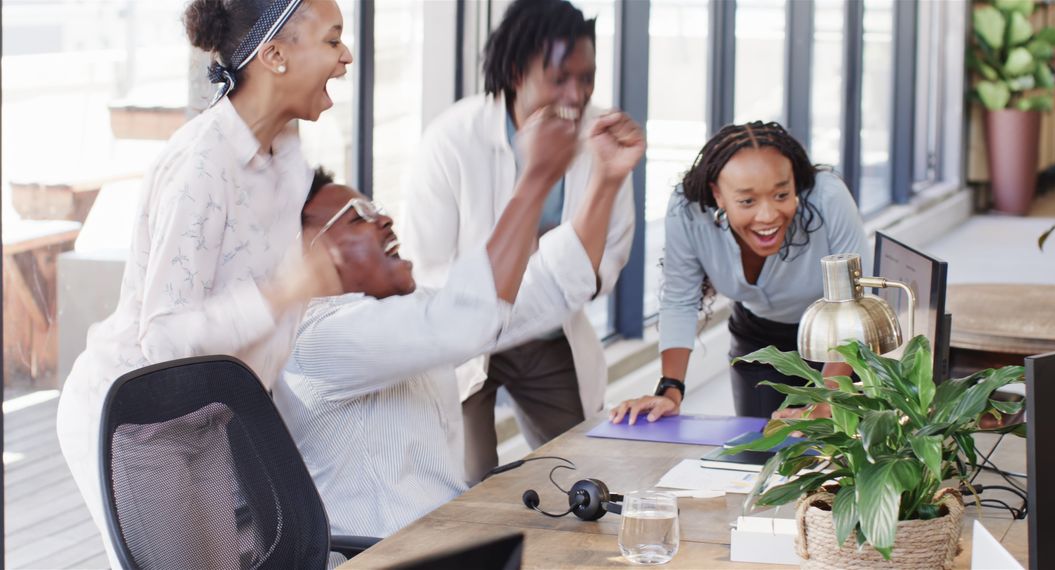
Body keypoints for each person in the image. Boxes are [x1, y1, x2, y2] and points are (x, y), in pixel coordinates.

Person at [55, 0, 351, 561]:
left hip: (204, 418)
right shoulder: (202, 163)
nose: (346, 57)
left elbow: (266, 327)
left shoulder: (287, 159)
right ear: (276, 55)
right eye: (333, 40)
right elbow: (163, 341)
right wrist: (287, 290)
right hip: (134, 420)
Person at [276, 108, 645, 538]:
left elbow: (539, 292)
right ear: (305, 255)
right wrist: (536, 177)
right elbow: (467, 318)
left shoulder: (398, 315)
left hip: (446, 540)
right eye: (359, 217)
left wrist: (607, 179)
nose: (386, 219)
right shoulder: (316, 338)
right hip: (390, 556)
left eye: (377, 209)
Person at [399, 0, 635, 485]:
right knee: (464, 488)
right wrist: (500, 298)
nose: (577, 95)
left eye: (587, 77)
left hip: (548, 334)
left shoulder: (602, 137)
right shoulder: (451, 139)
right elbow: (425, 267)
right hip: (463, 344)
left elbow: (607, 257)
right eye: (559, 78)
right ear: (515, 70)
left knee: (583, 477)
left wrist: (534, 301)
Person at [609, 121, 870, 425]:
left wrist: (828, 399)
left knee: (837, 453)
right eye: (747, 201)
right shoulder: (687, 210)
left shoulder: (828, 196)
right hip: (759, 339)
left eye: (781, 195)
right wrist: (670, 389)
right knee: (760, 449)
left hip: (837, 338)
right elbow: (680, 300)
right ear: (718, 194)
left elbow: (856, 304)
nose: (768, 215)